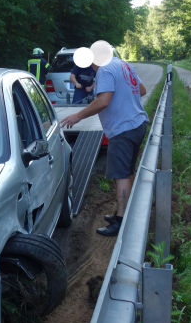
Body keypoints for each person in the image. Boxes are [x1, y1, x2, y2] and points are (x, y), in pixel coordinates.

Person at [61, 42, 148, 236]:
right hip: (137, 124)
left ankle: (120, 221)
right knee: (128, 170)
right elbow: (142, 90)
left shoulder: (105, 70)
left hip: (123, 128)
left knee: (121, 174)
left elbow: (103, 101)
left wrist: (78, 116)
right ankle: (124, 212)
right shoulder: (124, 64)